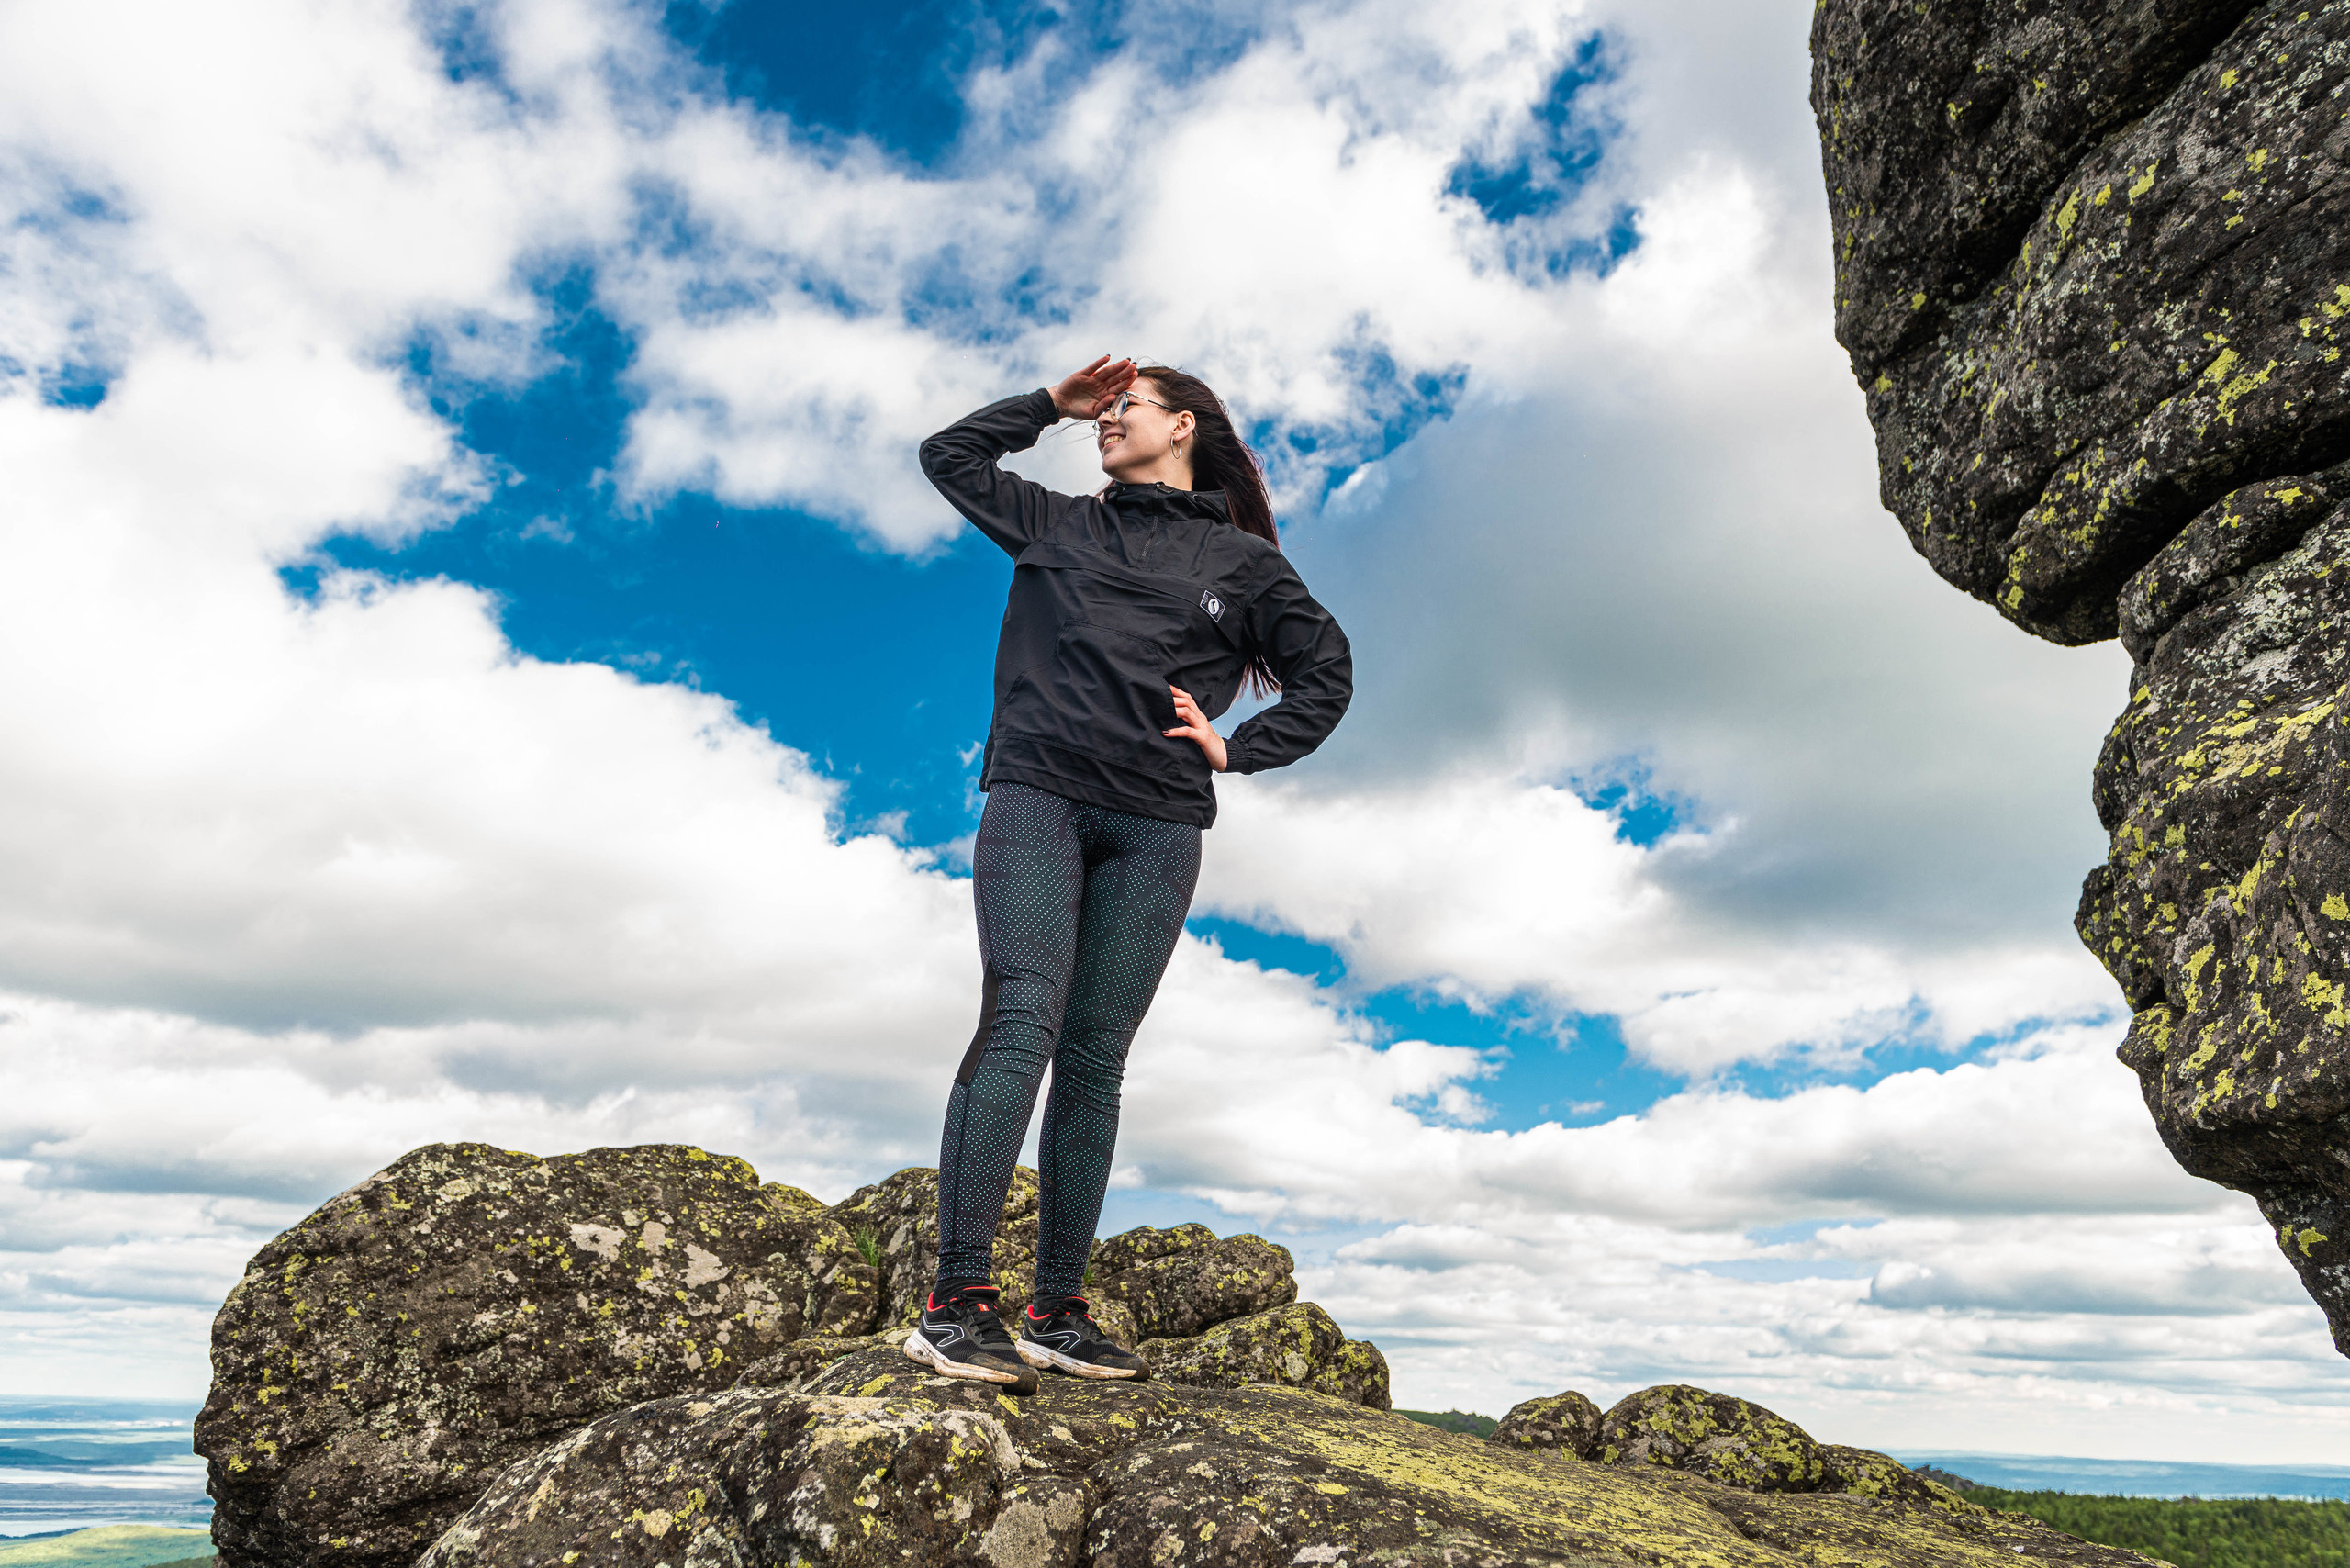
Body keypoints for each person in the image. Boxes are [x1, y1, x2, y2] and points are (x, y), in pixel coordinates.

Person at [903, 357, 1352, 1392]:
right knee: (1023, 1015)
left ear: (1183, 426)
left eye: (1124, 407)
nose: (1106, 420)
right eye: (1100, 411)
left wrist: (1241, 746)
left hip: (1156, 824)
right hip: (1038, 795)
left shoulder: (1240, 565)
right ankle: (956, 1301)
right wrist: (1047, 406)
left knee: (1096, 1056)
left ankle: (1056, 1311)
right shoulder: (1057, 523)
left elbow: (1326, 671)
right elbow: (947, 455)